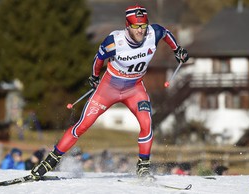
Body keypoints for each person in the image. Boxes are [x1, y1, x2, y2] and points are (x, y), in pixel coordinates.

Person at [31, 5, 189, 180]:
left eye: (143, 26)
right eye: (136, 27)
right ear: (127, 25)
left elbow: (166, 33)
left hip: (134, 89)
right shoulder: (114, 40)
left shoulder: (154, 33)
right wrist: (94, 76)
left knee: (146, 123)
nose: (140, 31)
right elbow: (98, 59)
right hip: (108, 90)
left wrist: (178, 50)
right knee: (82, 125)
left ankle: (143, 167)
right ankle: (50, 161)